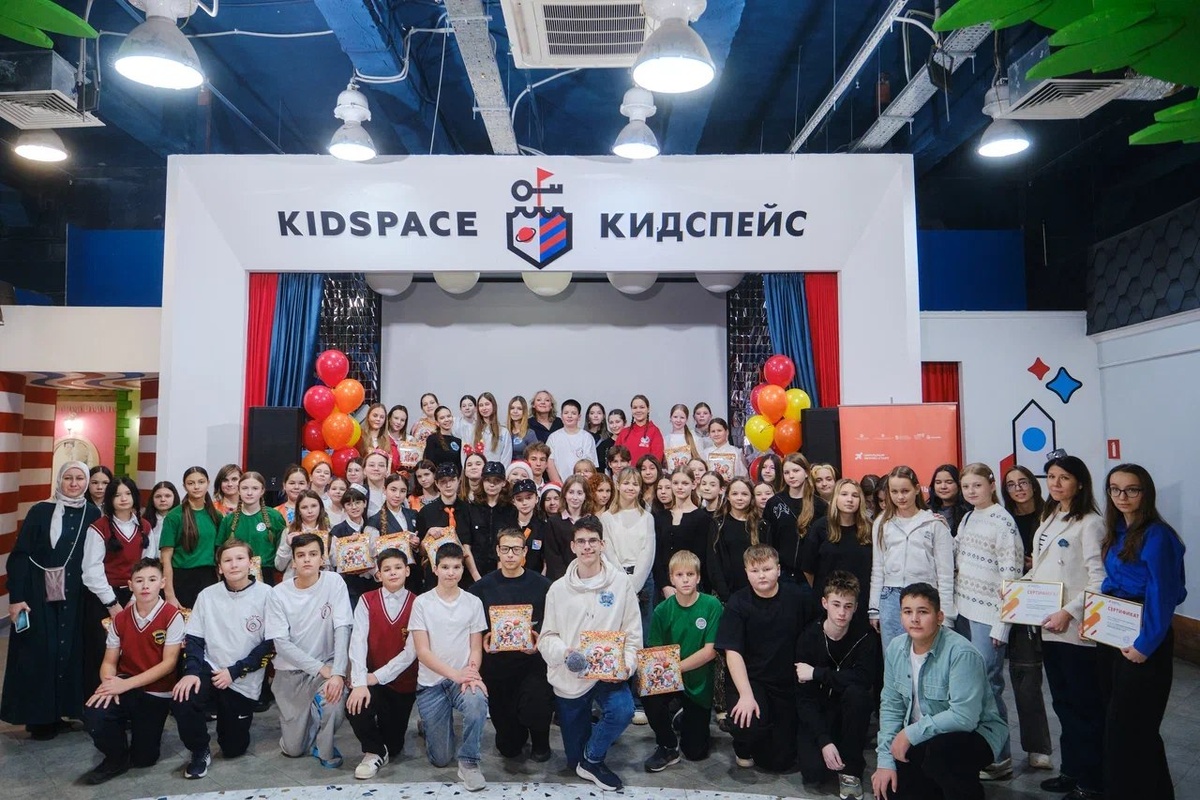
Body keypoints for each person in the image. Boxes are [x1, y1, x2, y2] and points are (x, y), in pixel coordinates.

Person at [1098, 463, 1187, 799]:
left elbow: (1163, 595)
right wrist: (1097, 621)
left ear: (1145, 492)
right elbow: (1111, 583)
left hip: (1144, 639)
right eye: (1115, 489)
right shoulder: (1117, 531)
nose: (1122, 496)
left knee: (1136, 728)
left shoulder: (1158, 535)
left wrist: (1145, 645)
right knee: (1118, 726)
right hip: (1114, 634)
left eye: (1131, 489)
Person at [1021, 452, 1107, 800]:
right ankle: (1071, 771)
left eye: (1064, 478)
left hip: (1075, 631)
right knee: (1063, 705)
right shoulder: (1050, 515)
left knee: (1085, 708)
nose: (1056, 484)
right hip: (1049, 626)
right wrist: (1018, 589)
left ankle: (1092, 781)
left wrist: (1069, 613)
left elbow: (1099, 581)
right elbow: (1041, 568)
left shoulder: (1091, 523)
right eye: (1052, 477)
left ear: (1080, 483)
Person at [871, 583, 1008, 800]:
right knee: (890, 788)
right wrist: (885, 762)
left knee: (941, 755)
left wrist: (909, 734)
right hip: (925, 735)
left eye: (923, 612)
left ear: (939, 617)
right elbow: (891, 706)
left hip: (976, 733)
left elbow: (964, 718)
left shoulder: (962, 653)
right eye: (907, 612)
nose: (914, 619)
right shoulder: (896, 648)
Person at [538, 517, 642, 792]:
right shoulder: (558, 589)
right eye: (581, 541)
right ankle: (588, 749)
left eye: (592, 541)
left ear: (602, 544)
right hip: (571, 677)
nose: (587, 546)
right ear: (572, 546)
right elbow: (546, 638)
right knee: (573, 763)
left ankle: (594, 757)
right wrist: (565, 653)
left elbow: (633, 635)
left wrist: (626, 667)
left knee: (623, 710)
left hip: (607, 676)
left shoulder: (621, 584)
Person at [1, 461, 101, 739]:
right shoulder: (40, 511)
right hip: (38, 595)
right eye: (68, 478)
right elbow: (20, 555)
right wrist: (16, 597)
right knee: (41, 653)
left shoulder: (92, 513)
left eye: (79, 478)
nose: (74, 483)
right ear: (59, 480)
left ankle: (63, 712)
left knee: (70, 652)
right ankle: (40, 719)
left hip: (76, 596)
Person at [170, 539, 274, 780]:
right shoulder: (207, 595)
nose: (233, 564)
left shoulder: (267, 594)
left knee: (233, 748)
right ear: (219, 567)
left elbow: (269, 644)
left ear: (250, 563)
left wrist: (235, 671)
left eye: (239, 558)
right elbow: (194, 638)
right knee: (183, 698)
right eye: (227, 560)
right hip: (210, 666)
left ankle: (231, 726)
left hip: (242, 675)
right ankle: (199, 750)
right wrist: (191, 672)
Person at [80, 557, 185, 784]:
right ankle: (115, 757)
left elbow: (168, 664)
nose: (145, 585)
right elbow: (109, 661)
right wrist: (109, 683)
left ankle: (137, 737)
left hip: (156, 691)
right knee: (94, 712)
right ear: (130, 585)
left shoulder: (172, 616)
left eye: (152, 580)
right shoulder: (120, 619)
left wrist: (124, 684)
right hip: (125, 683)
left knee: (144, 759)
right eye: (139, 580)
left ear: (162, 583)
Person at [953, 463, 1024, 781]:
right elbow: (958, 553)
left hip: (989, 618)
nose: (971, 491)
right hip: (964, 612)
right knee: (970, 687)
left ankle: (1000, 757)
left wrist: (1002, 624)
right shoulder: (968, 517)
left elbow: (1012, 577)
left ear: (992, 485)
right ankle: (978, 750)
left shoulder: (1003, 521)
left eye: (977, 485)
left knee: (989, 687)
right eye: (966, 486)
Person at [715, 544, 815, 772]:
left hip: (785, 683)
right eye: (755, 570)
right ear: (746, 572)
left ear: (778, 570)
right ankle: (743, 745)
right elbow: (732, 652)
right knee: (747, 723)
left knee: (779, 762)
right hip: (750, 681)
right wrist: (746, 695)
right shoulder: (738, 603)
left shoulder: (797, 597)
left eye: (767, 569)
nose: (761, 575)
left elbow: (815, 632)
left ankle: (768, 740)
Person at [266, 532, 353, 768]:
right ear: (293, 561)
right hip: (290, 672)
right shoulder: (278, 594)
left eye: (313, 554)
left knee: (334, 697)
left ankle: (324, 749)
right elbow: (281, 644)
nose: (307, 559)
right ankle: (309, 719)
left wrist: (338, 672)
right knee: (293, 749)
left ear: (322, 558)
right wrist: (319, 668)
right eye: (301, 555)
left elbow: (342, 628)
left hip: (328, 664)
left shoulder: (334, 582)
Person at [468, 528, 555, 762]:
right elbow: (472, 626)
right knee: (509, 748)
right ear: (497, 551)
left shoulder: (543, 586)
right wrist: (483, 638)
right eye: (505, 549)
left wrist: (539, 639)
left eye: (516, 549)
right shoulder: (480, 588)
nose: (510, 554)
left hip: (532, 664)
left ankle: (541, 740)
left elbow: (554, 623)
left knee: (536, 706)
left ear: (525, 552)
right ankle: (516, 734)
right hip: (497, 667)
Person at [411, 542, 490, 791]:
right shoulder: (422, 603)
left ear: (462, 569)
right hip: (431, 684)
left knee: (478, 701)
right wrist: (455, 674)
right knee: (441, 758)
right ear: (435, 569)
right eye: (445, 567)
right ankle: (429, 724)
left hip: (462, 680)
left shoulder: (473, 602)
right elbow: (423, 652)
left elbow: (475, 647)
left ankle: (469, 762)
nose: (451, 572)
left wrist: (472, 673)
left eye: (456, 567)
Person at [794, 571, 880, 799]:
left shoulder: (865, 636)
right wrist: (824, 741)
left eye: (848, 606)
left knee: (857, 695)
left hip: (849, 712)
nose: (842, 613)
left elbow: (863, 679)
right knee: (813, 773)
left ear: (856, 607)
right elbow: (804, 699)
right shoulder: (809, 637)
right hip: (820, 711)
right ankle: (830, 746)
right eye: (836, 605)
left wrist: (817, 673)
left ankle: (852, 769)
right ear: (825, 603)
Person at [641, 549, 722, 772]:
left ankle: (683, 715)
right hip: (669, 680)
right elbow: (656, 651)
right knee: (648, 693)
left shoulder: (712, 606)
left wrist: (675, 668)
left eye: (690, 574)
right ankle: (667, 746)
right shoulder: (662, 610)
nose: (685, 580)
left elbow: (710, 652)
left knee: (696, 753)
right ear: (671, 578)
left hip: (698, 682)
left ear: (698, 577)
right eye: (679, 575)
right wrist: (664, 670)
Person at [346, 548, 419, 780]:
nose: (393, 573)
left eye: (398, 568)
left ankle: (385, 746)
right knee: (356, 704)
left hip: (402, 682)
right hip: (370, 679)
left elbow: (411, 653)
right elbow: (358, 642)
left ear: (407, 571)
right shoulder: (367, 601)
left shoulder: (418, 603)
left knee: (395, 746)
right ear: (378, 575)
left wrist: (377, 676)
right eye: (387, 569)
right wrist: (360, 681)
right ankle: (373, 751)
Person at [999, 464, 1053, 771]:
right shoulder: (1003, 519)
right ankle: (1035, 748)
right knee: (1025, 679)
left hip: (1050, 603)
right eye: (1011, 484)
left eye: (1023, 482)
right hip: (1016, 604)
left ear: (1033, 484)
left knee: (1055, 682)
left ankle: (1047, 747)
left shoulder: (1050, 517)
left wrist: (1039, 564)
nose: (1018, 488)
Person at [81, 476, 154, 696]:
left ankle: (129, 699)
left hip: (136, 596)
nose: (123, 499)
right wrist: (112, 604)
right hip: (103, 598)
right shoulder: (99, 528)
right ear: (109, 499)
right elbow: (91, 571)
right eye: (117, 495)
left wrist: (134, 599)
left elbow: (148, 565)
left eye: (128, 494)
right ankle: (99, 701)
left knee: (133, 650)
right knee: (101, 650)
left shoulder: (145, 526)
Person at [869, 465, 955, 649]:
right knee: (893, 656)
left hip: (925, 595)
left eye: (905, 491)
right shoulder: (882, 522)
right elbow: (878, 568)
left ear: (916, 489)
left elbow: (945, 574)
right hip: (890, 598)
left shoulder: (934, 523)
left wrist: (946, 614)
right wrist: (874, 608)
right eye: (894, 492)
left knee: (925, 655)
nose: (900, 497)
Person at [801, 478, 873, 628]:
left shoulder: (869, 529)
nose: (850, 499)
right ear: (835, 498)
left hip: (861, 602)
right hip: (828, 603)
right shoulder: (820, 528)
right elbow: (808, 569)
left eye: (855, 495)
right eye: (844, 494)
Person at [601, 467, 657, 637]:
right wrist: (624, 582)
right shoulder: (606, 518)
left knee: (644, 633)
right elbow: (608, 552)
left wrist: (634, 586)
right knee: (617, 631)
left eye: (635, 484)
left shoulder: (647, 517)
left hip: (643, 580)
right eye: (626, 483)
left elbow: (648, 552)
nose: (631, 487)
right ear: (618, 485)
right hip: (615, 578)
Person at [160, 466, 222, 610]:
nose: (196, 487)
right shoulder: (174, 516)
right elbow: (166, 558)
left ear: (208, 483)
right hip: (181, 579)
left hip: (209, 578)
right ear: (184, 486)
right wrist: (169, 594)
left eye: (201, 482)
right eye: (191, 483)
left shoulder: (216, 516)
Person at [763, 453, 827, 581]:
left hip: (811, 574)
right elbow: (768, 539)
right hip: (782, 573)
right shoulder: (774, 502)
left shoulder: (820, 505)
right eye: (786, 472)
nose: (791, 476)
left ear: (807, 473)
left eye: (796, 471)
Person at [216, 471, 287, 585]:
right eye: (245, 488)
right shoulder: (228, 520)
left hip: (267, 574)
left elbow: (282, 546)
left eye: (255, 488)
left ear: (262, 491)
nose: (249, 493)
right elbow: (220, 550)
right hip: (237, 574)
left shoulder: (274, 516)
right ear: (239, 490)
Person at [654, 468, 713, 596]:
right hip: (664, 587)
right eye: (675, 483)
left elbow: (701, 557)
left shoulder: (703, 518)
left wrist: (686, 583)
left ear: (694, 485)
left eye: (685, 483)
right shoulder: (660, 517)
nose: (680, 487)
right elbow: (657, 553)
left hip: (692, 585)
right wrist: (665, 585)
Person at [708, 477, 766, 603]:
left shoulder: (761, 524)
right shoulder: (718, 523)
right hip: (727, 592)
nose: (739, 498)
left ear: (751, 497)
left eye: (744, 494)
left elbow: (767, 560)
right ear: (728, 496)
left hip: (757, 591)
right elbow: (713, 562)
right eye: (734, 494)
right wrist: (725, 594)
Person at [416, 463, 472, 591]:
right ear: (436, 483)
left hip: (464, 574)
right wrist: (428, 535)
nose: (448, 485)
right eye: (443, 481)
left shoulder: (469, 510)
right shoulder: (426, 512)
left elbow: (472, 545)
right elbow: (421, 552)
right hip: (435, 576)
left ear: (458, 481)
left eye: (451, 480)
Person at [464, 461, 517, 583]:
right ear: (482, 481)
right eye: (488, 480)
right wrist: (476, 577)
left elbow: (509, 542)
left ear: (503, 483)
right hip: (473, 572)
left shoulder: (510, 510)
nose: (492, 484)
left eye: (497, 481)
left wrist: (499, 576)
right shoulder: (471, 508)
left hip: (501, 573)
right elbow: (466, 545)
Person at [543, 475, 595, 582]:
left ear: (585, 496)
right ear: (565, 495)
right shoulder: (553, 522)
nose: (575, 497)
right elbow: (552, 556)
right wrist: (567, 581)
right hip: (561, 580)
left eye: (579, 493)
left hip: (588, 578)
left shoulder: (592, 521)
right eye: (571, 492)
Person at [546, 399, 599, 484]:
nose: (569, 416)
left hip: (583, 485)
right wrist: (560, 486)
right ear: (561, 416)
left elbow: (591, 466)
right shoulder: (553, 437)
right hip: (560, 486)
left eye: (573, 413)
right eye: (566, 413)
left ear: (579, 417)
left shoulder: (587, 438)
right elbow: (550, 464)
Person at [511, 478, 549, 575]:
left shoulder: (544, 527)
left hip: (535, 578)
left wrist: (541, 580)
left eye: (528, 498)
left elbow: (546, 562)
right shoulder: (507, 527)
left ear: (536, 499)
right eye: (519, 499)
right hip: (510, 577)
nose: (524, 503)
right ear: (513, 501)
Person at [615, 394, 664, 463]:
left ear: (648, 409)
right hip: (626, 470)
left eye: (642, 407)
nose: (638, 410)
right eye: (635, 408)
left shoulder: (654, 432)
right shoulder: (624, 432)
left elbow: (656, 460)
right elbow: (615, 457)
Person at [469, 392, 512, 466]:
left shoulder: (503, 432)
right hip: (478, 471)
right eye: (481, 405)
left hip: (497, 471)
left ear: (493, 406)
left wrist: (499, 471)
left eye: (487, 404)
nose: (484, 408)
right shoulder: (472, 430)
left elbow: (506, 457)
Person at [928, 464, 971, 538]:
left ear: (959, 485)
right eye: (938, 482)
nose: (943, 487)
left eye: (949, 482)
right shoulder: (927, 511)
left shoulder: (969, 512)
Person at [663, 403, 702, 472]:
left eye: (682, 418)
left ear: (686, 419)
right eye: (675, 417)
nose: (678, 420)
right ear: (670, 418)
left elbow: (700, 462)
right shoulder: (665, 440)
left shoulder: (695, 439)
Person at [144, 481, 180, 556]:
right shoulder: (144, 523)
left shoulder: (182, 520)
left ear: (175, 497)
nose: (163, 499)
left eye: (167, 496)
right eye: (158, 496)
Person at [422, 406, 464, 470]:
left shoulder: (458, 441)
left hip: (455, 476)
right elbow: (430, 463)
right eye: (442, 418)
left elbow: (459, 465)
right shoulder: (432, 439)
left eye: (448, 416)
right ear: (437, 423)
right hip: (438, 475)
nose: (446, 420)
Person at [507, 395, 539, 461]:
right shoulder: (504, 431)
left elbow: (536, 456)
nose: (515, 411)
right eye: (512, 408)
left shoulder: (530, 433)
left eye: (519, 409)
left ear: (524, 412)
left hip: (523, 466)